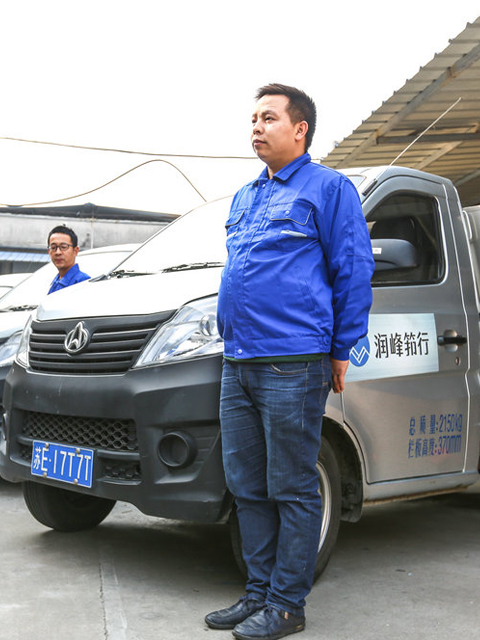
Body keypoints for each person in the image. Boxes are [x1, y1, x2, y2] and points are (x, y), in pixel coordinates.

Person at [205, 84, 375, 640]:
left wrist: (341, 347)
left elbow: (353, 268)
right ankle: (257, 594)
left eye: (269, 117)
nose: (256, 126)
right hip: (238, 361)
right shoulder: (245, 196)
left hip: (293, 362)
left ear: (300, 129)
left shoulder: (328, 188)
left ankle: (286, 606)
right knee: (247, 485)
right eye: (253, 118)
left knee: (293, 487)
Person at [47, 225, 90, 294]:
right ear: (49, 251)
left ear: (75, 251)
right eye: (53, 247)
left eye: (63, 247)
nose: (58, 252)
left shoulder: (83, 282)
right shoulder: (56, 282)